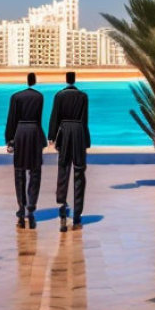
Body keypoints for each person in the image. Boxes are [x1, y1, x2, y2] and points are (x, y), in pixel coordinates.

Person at [47, 71, 90, 232]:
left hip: (64, 133)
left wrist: (51, 136)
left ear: (66, 80)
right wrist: (86, 139)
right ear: (75, 80)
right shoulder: (83, 96)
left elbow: (55, 117)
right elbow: (85, 119)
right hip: (78, 133)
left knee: (63, 171)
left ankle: (63, 211)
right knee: (79, 173)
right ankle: (77, 216)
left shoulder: (59, 96)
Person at [4, 72, 47, 229]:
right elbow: (39, 119)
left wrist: (9, 140)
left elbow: (11, 119)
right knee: (35, 173)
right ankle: (31, 208)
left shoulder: (16, 97)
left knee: (19, 173)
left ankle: (21, 210)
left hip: (20, 133)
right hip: (35, 133)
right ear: (34, 81)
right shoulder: (39, 97)